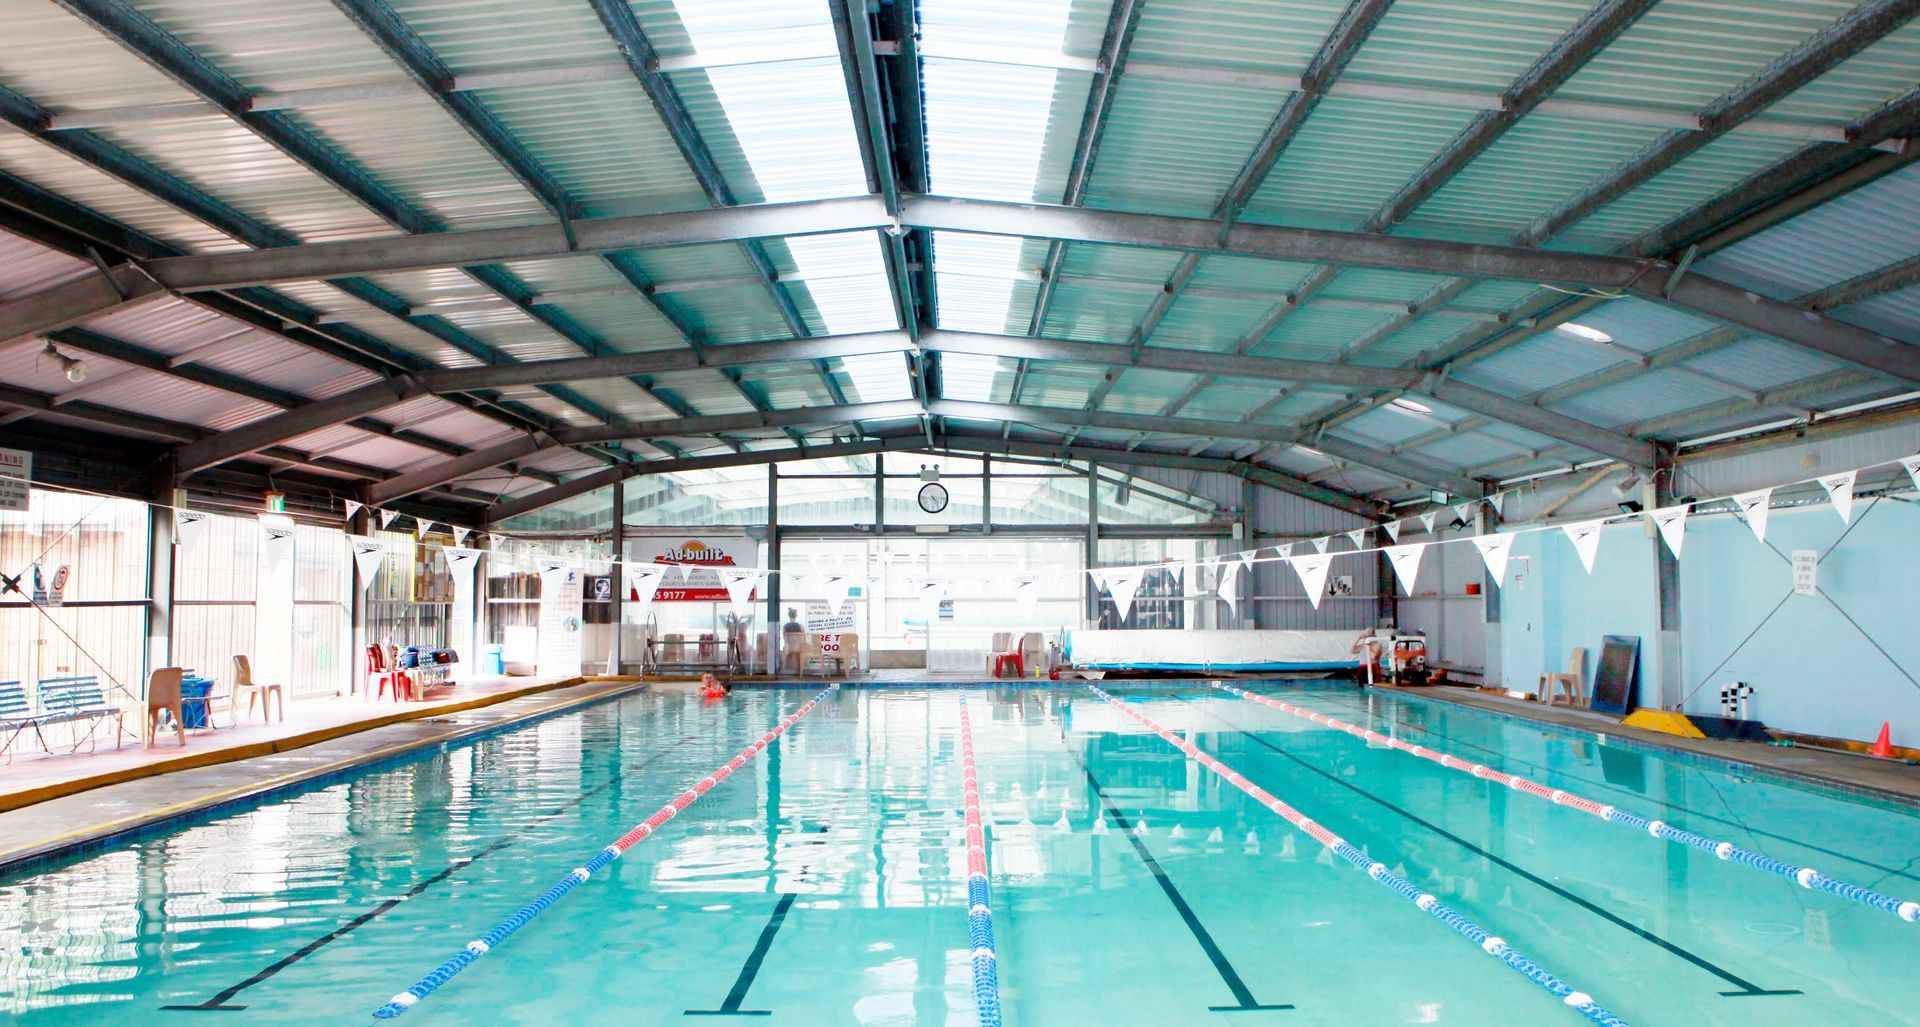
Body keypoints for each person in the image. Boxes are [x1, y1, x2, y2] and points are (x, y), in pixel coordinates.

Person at [781, 607, 805, 674]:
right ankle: (799, 670)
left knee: (788, 652)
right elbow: (803, 638)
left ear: (789, 615)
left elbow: (785, 639)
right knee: (799, 653)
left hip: (789, 648)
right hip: (798, 648)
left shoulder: (785, 626)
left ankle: (786, 669)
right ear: (796, 616)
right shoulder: (801, 626)